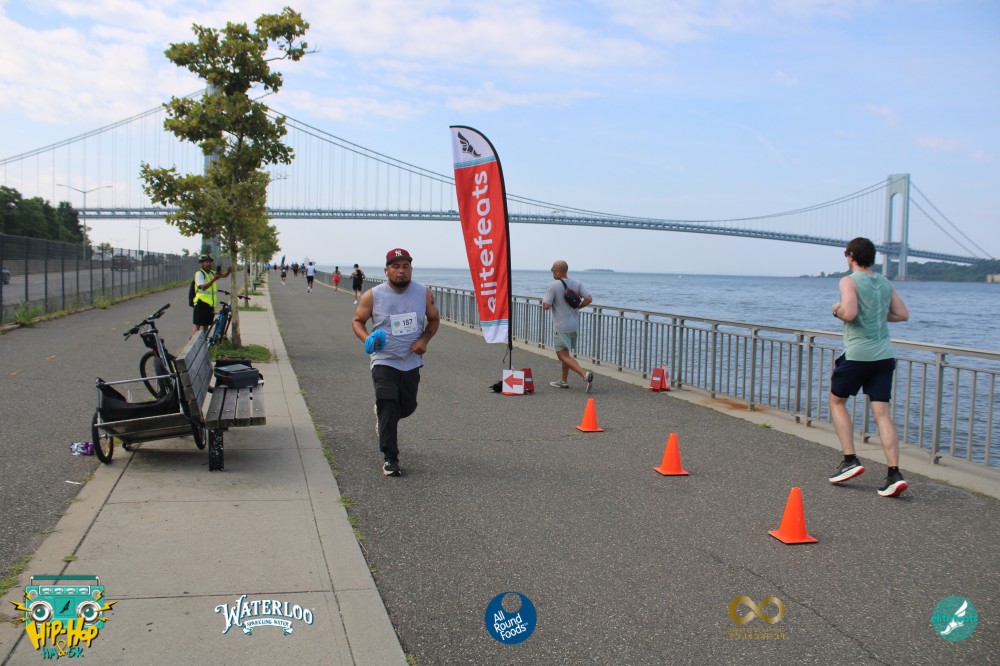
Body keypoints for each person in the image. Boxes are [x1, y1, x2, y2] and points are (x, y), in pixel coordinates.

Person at [828, 237, 910, 497]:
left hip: (857, 355)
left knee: (837, 402)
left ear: (851, 256)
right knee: (882, 414)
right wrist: (875, 313)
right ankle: (894, 474)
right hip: (884, 357)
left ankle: (850, 460)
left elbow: (850, 313)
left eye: (846, 254)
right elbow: (902, 314)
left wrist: (837, 310)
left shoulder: (848, 281)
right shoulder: (884, 282)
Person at [352, 248, 440, 477]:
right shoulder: (373, 295)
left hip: (411, 360)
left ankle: (383, 415)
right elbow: (358, 321)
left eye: (405, 266)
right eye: (396, 266)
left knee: (407, 407)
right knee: (389, 404)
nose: (401, 271)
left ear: (411, 269)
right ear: (386, 270)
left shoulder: (423, 293)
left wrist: (424, 340)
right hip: (384, 359)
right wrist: (367, 339)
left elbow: (434, 319)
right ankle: (390, 458)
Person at [542, 260, 595, 392]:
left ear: (558, 271)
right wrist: (578, 307)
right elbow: (589, 299)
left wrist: (546, 301)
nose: (552, 272)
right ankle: (563, 381)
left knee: (562, 355)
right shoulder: (577, 283)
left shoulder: (553, 285)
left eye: (552, 270)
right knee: (566, 354)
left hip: (561, 326)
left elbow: (546, 306)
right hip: (573, 325)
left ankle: (585, 375)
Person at [192, 254, 231, 336]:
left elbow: (223, 275)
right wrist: (214, 279)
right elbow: (203, 287)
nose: (209, 264)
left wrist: (228, 271)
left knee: (206, 325)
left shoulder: (211, 273)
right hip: (201, 302)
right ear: (201, 264)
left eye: (209, 262)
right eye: (206, 262)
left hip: (210, 303)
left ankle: (204, 340)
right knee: (197, 325)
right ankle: (193, 342)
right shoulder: (199, 274)